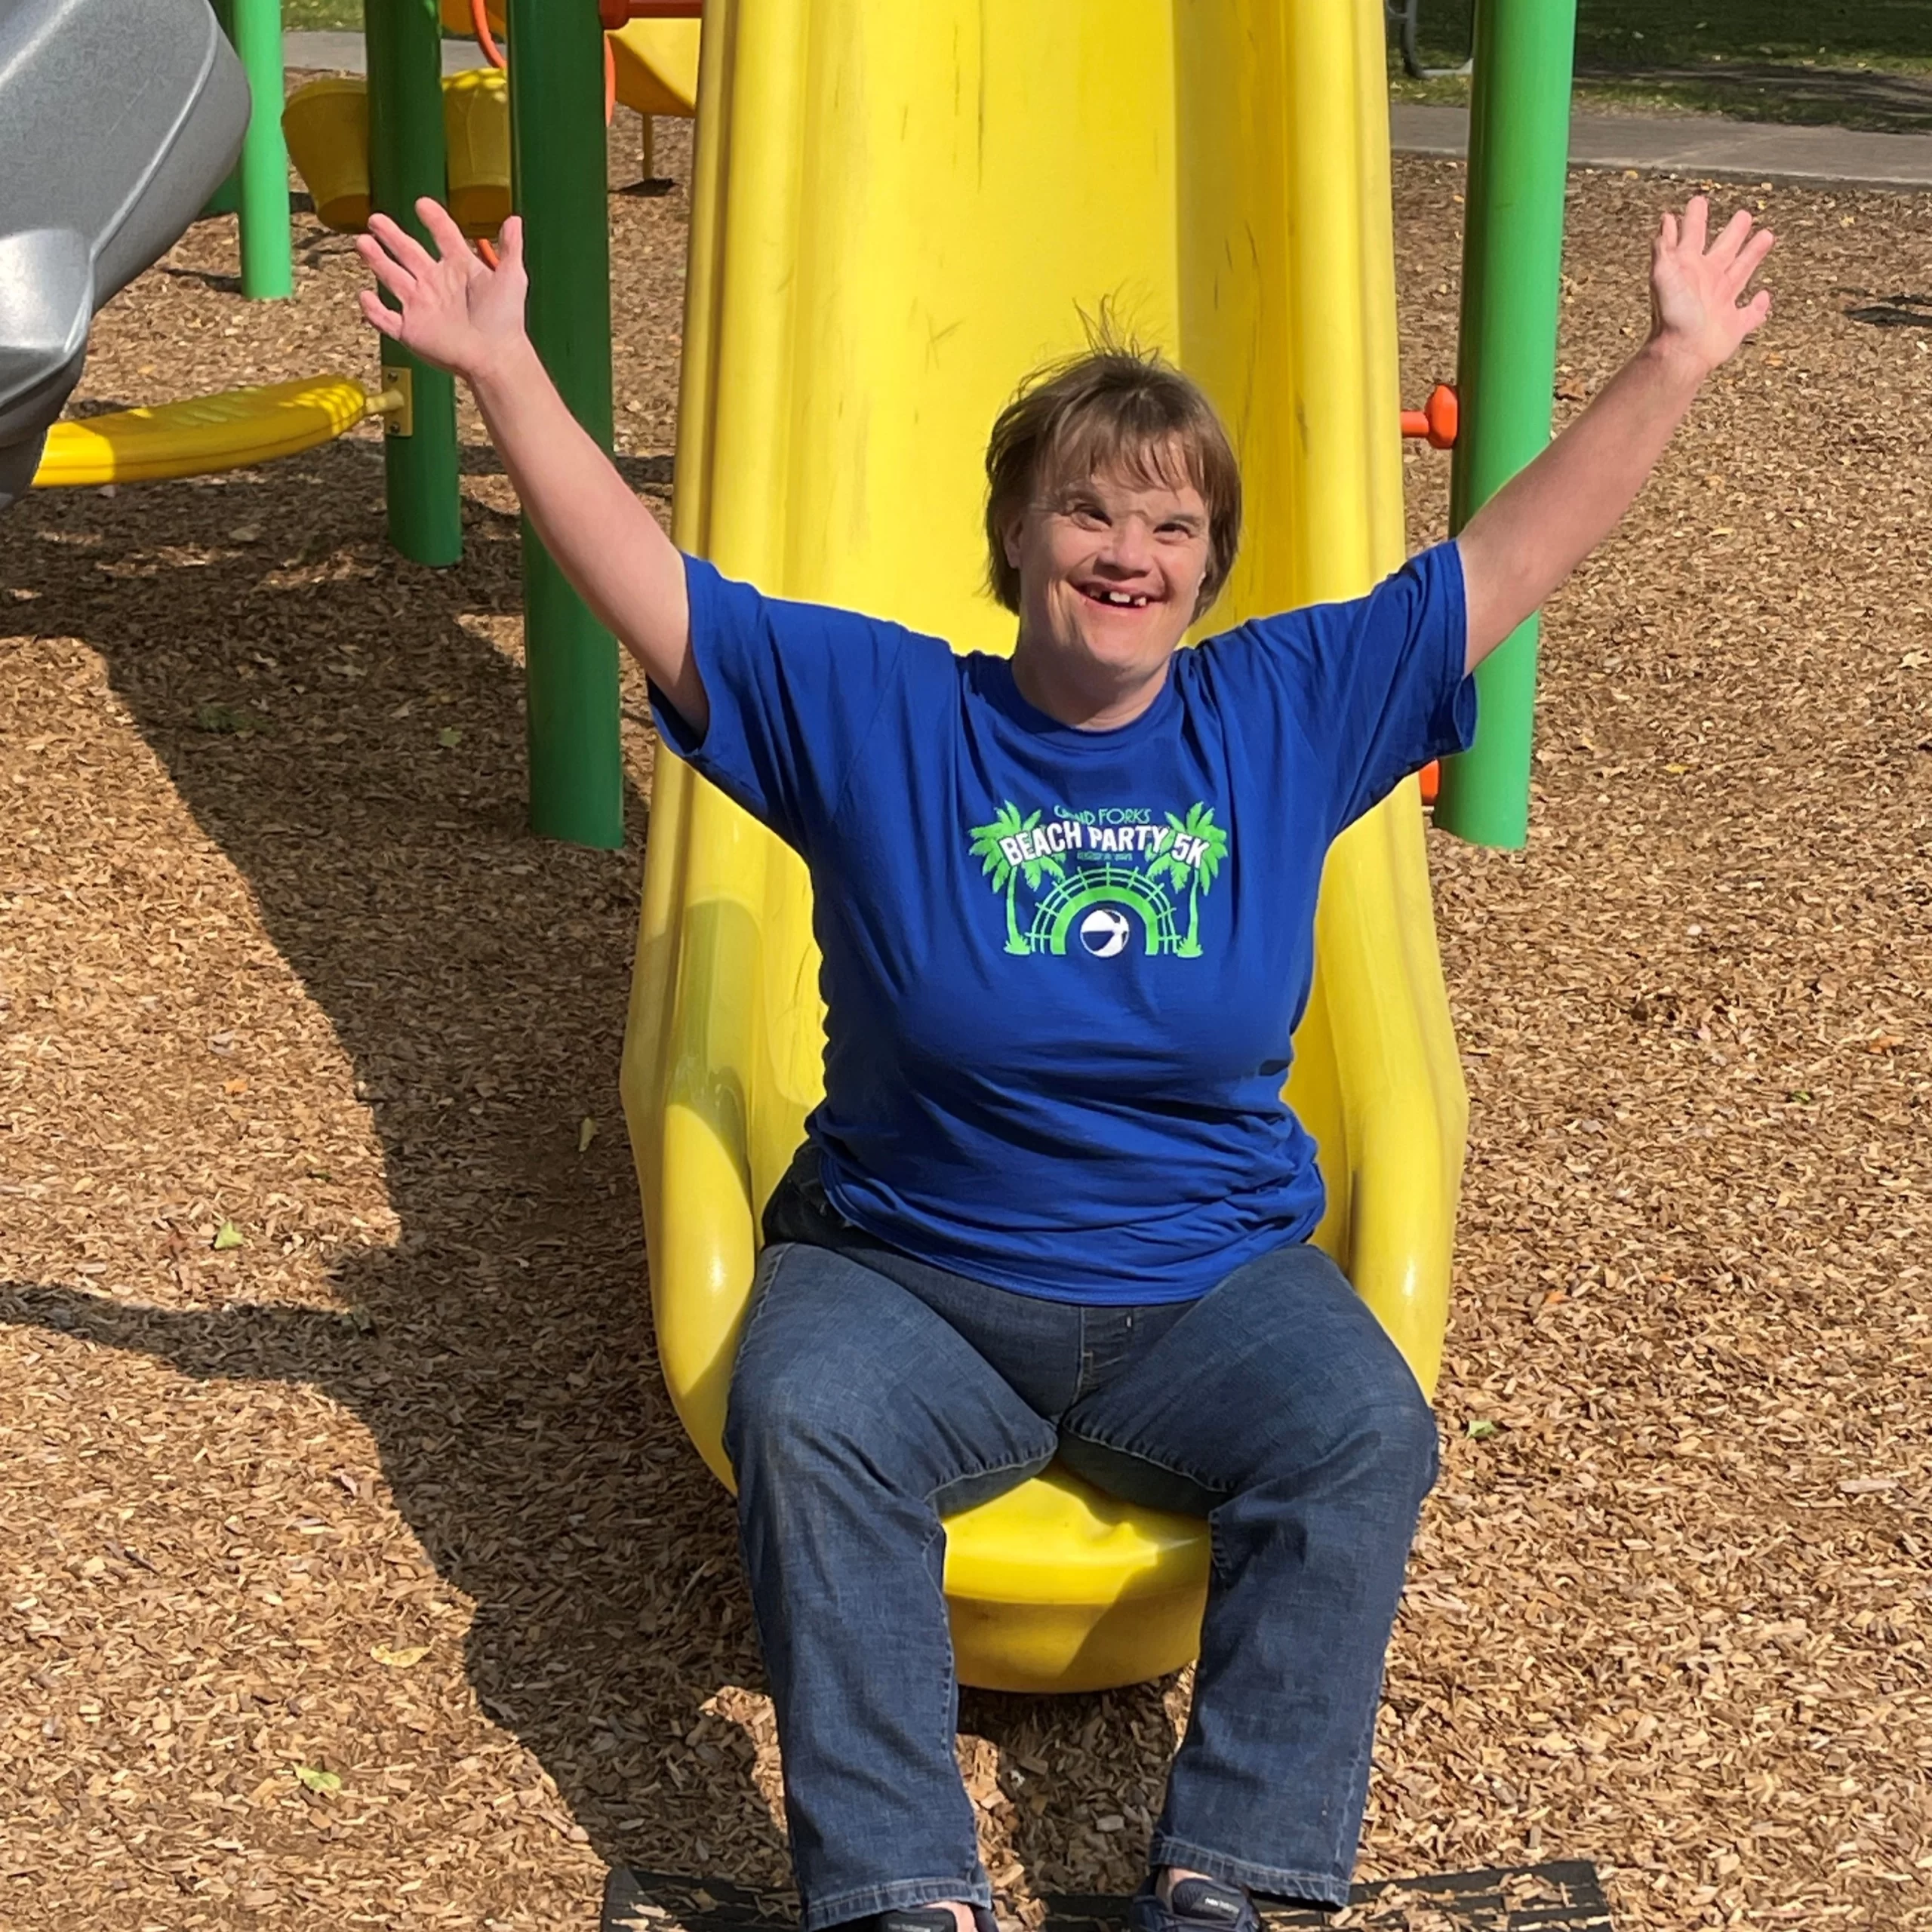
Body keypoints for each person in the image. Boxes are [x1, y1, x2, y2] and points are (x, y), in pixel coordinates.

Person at [357, 193, 1771, 1930]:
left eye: (1170, 522)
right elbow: (653, 590)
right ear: (1016, 534)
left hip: (1203, 1279)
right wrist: (501, 367)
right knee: (805, 1414)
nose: (1128, 547)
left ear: (1207, 563)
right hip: (911, 1269)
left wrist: (1673, 359)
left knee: (1357, 1431)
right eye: (1088, 506)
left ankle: (1227, 1870)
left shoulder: (1278, 709)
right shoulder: (883, 716)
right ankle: (894, 1884)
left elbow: (1507, 561)